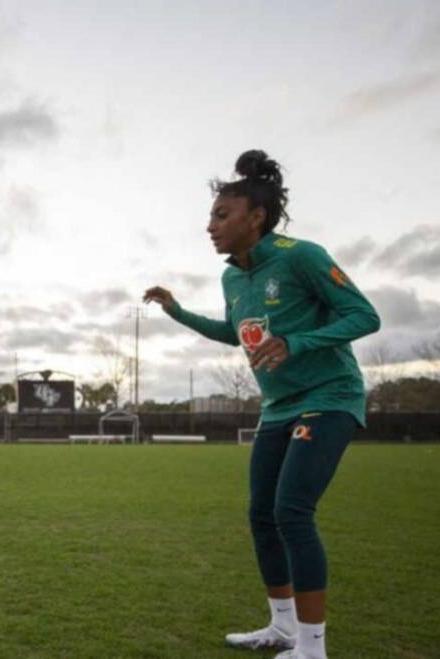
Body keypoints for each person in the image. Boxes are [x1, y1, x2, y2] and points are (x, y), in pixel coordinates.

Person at [144, 151, 380, 659]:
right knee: (261, 515)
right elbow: (236, 334)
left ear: (256, 217)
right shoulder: (232, 278)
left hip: (329, 396)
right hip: (277, 406)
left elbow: (365, 316)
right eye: (210, 215)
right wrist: (177, 311)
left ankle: (312, 650)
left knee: (292, 511)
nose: (210, 226)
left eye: (221, 215)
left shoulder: (302, 256)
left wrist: (299, 342)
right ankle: (282, 627)